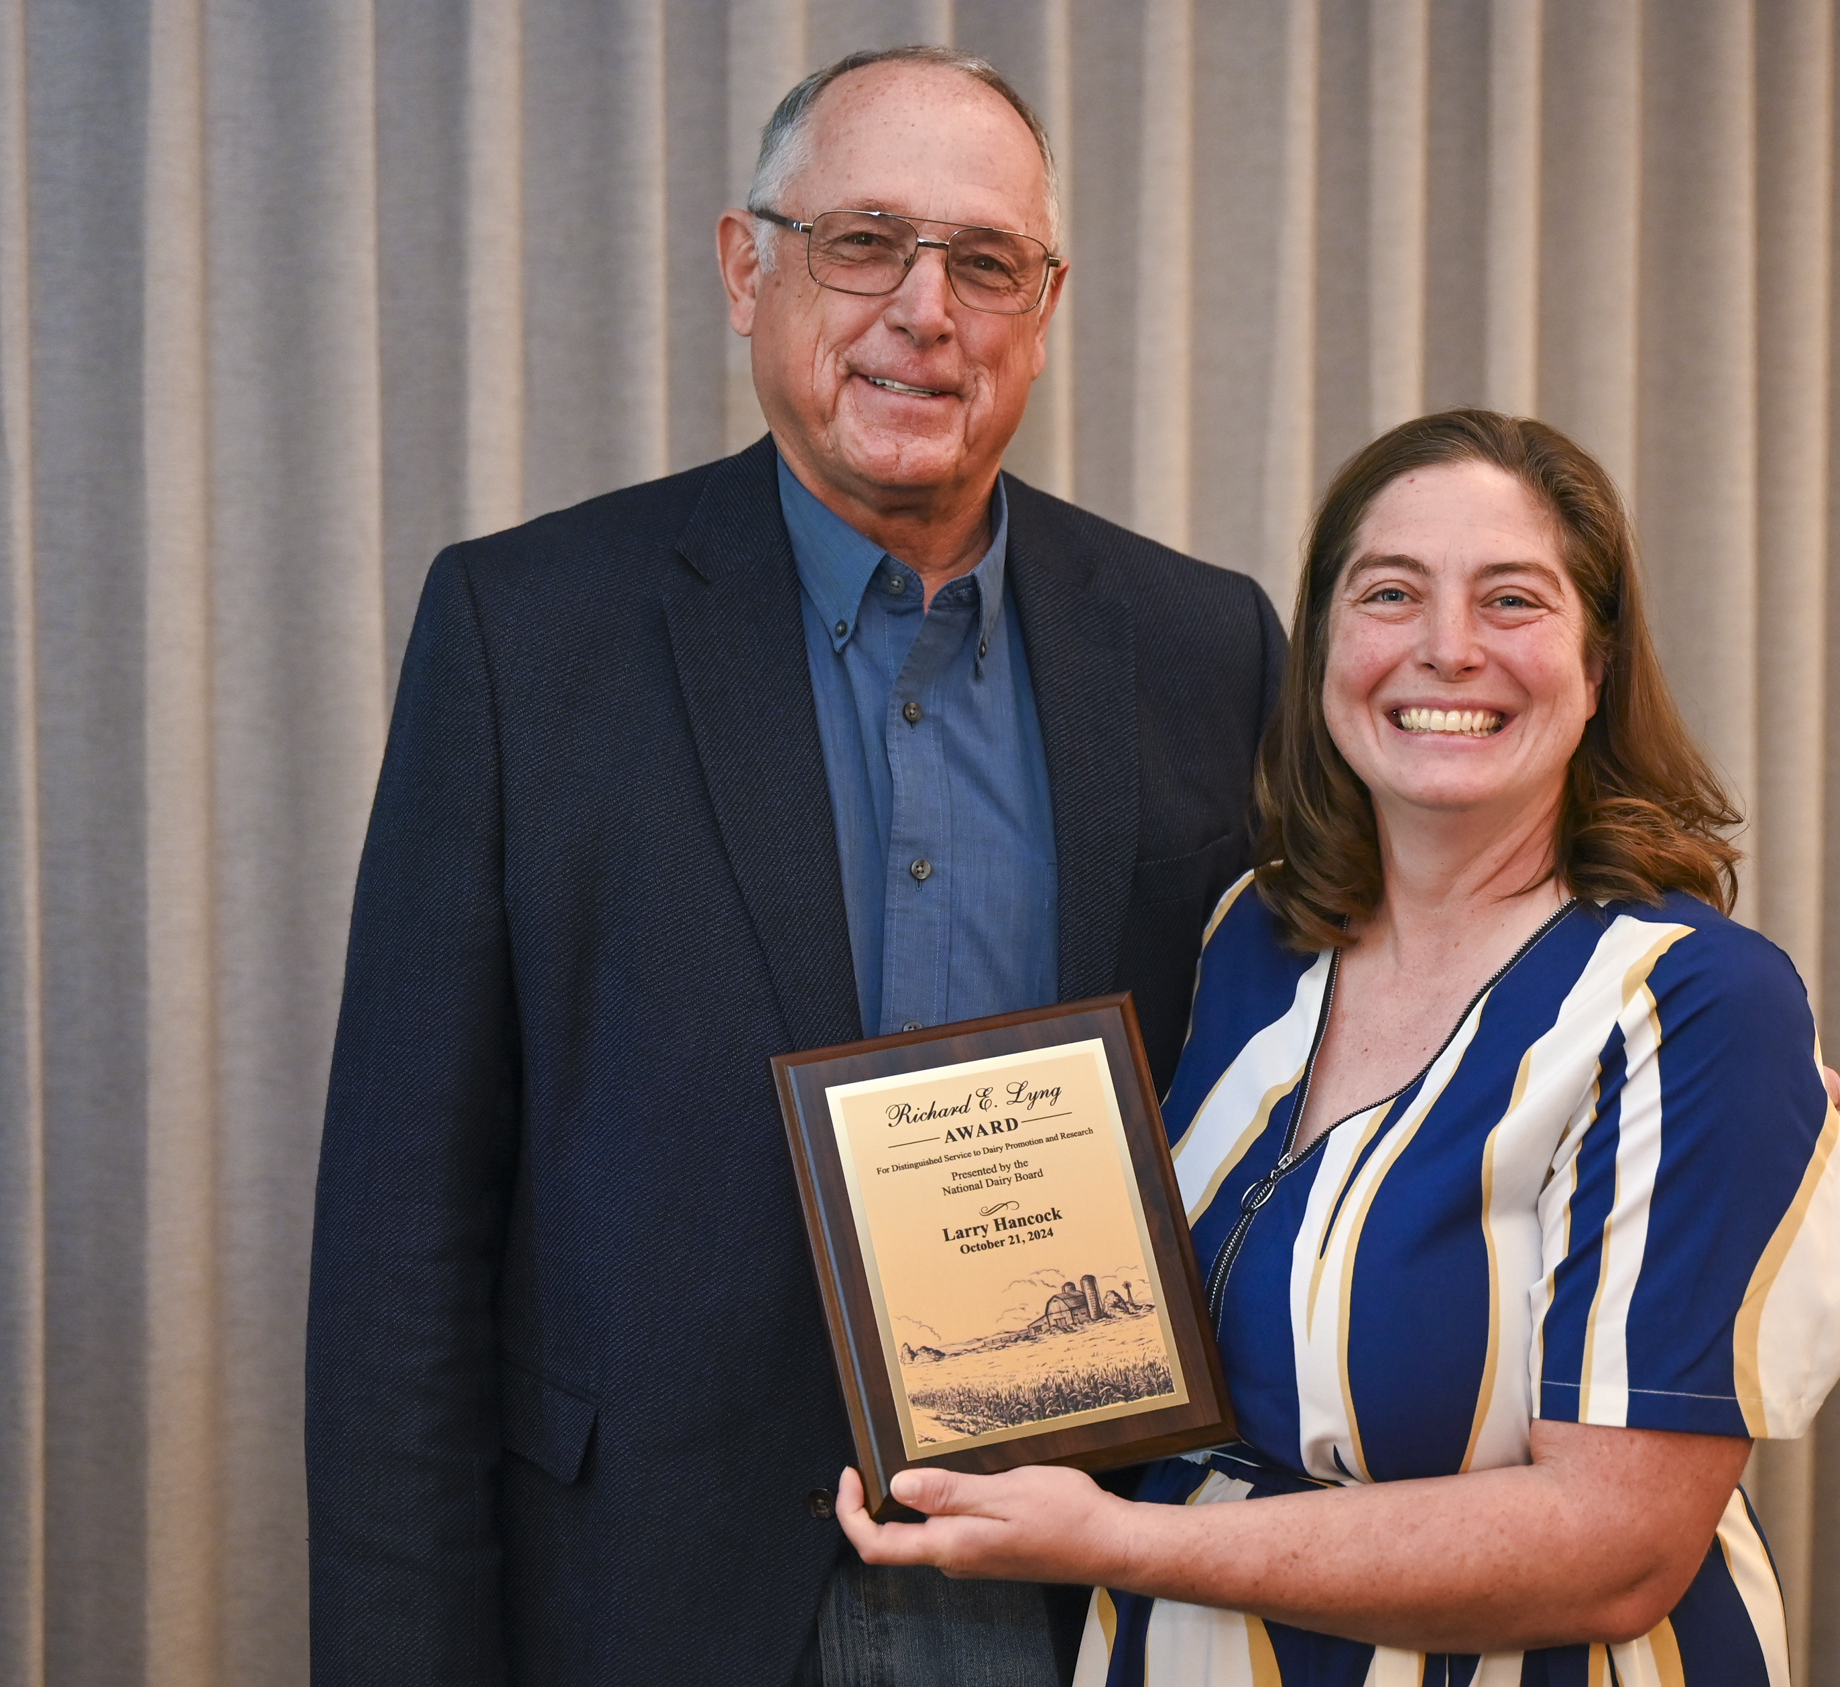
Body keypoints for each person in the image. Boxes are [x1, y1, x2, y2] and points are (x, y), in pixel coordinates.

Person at [304, 45, 1282, 1687]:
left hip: (1083, 1572)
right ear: (745, 268)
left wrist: (1634, 1049)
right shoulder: (524, 636)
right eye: (863, 241)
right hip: (652, 1588)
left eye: (985, 263)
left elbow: (1322, 1046)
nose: (925, 309)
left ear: (1042, 310)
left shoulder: (1204, 645)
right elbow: (404, 1238)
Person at [835, 410, 1840, 1683]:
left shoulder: (1692, 1004)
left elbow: (1614, 1547)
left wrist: (1118, 1540)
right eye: (1390, 592)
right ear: (1327, 641)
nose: (1447, 650)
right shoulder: (1255, 937)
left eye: (1513, 600)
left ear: (1598, 661)